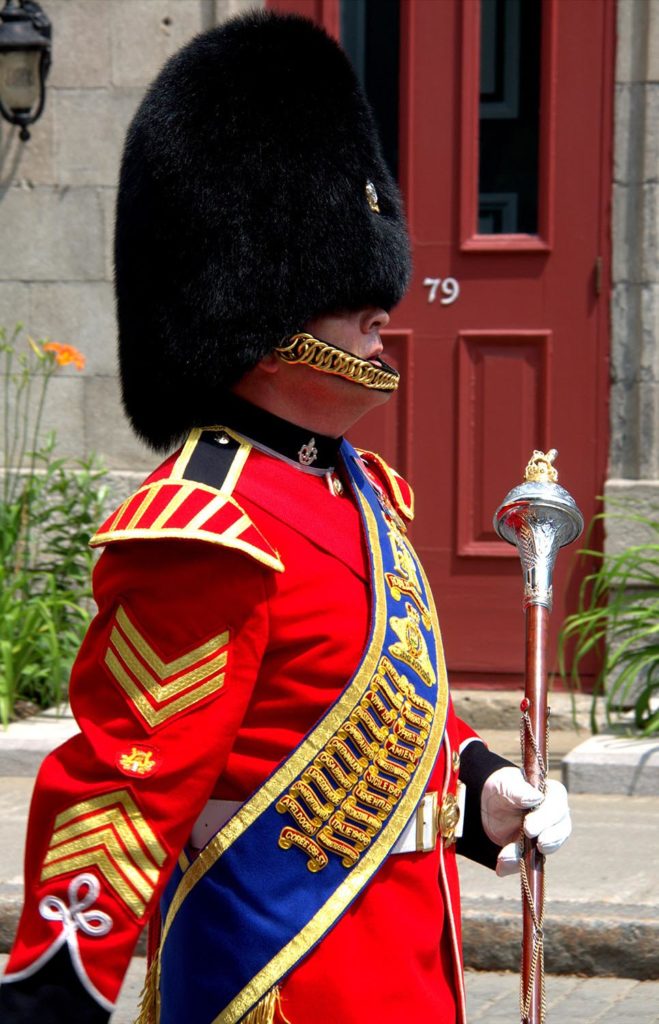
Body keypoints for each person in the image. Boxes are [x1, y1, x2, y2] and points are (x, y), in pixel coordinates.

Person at [0, 11, 571, 1024]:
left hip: (412, 976)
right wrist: (52, 999)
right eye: (347, 293)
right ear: (259, 314)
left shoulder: (361, 492)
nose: (381, 311)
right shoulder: (202, 529)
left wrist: (479, 789)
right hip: (280, 982)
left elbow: (388, 709)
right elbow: (125, 787)